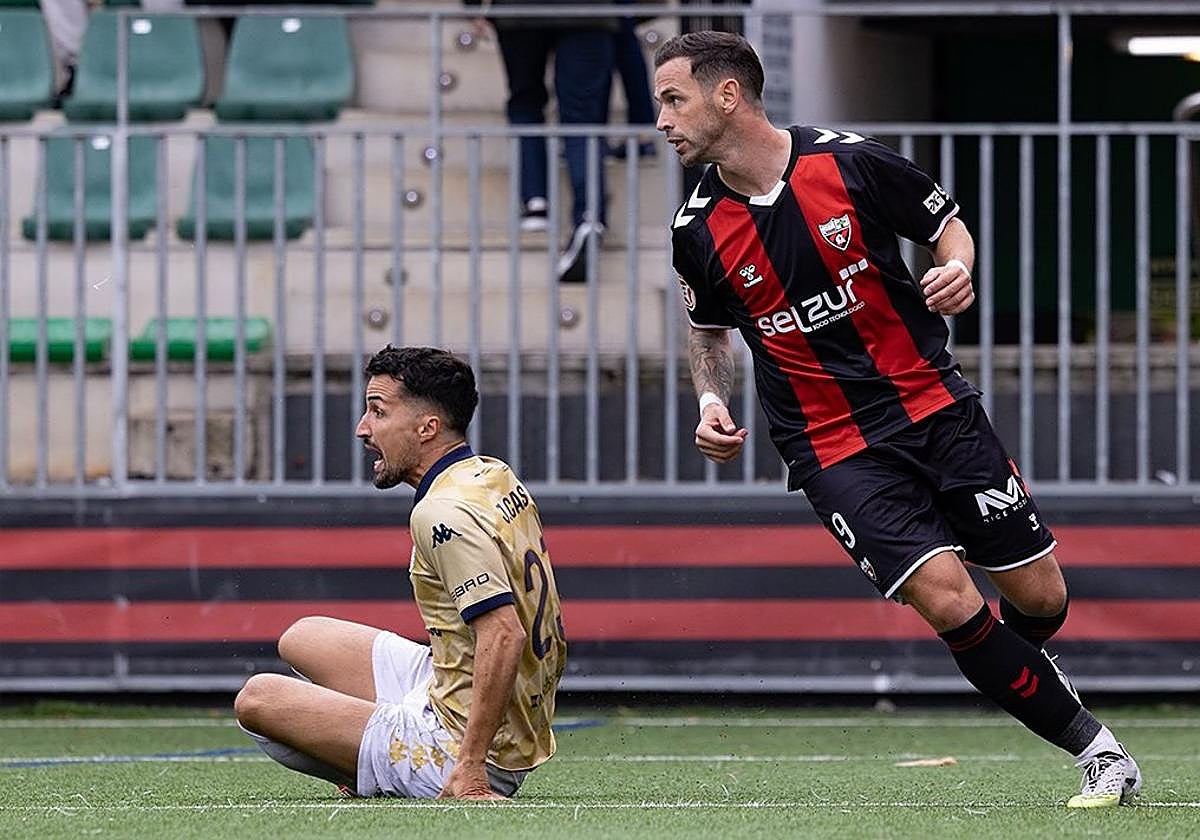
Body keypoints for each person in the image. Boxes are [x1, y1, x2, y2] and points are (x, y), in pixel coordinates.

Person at [654, 31, 1141, 809]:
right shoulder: (696, 229)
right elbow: (708, 334)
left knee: (1041, 597)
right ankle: (1101, 753)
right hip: (830, 447)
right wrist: (711, 401)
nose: (663, 121)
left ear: (728, 94)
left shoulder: (851, 162)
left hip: (935, 407)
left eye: (674, 100)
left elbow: (948, 227)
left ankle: (1032, 676)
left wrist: (957, 268)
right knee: (948, 599)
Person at [235, 346, 567, 800]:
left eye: (378, 411)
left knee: (258, 699)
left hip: (464, 746)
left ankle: (393, 766)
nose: (362, 428)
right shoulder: (492, 474)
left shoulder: (441, 513)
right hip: (466, 693)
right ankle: (371, 748)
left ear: (427, 427)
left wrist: (471, 767)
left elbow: (504, 634)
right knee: (302, 636)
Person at [465, 0, 615, 282]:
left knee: (525, 101)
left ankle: (535, 201)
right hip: (588, 10)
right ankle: (589, 215)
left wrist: (474, 7)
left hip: (520, 11)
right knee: (582, 119)